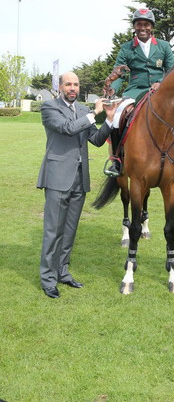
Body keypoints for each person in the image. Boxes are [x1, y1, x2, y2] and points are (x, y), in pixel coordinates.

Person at [37, 72, 118, 299]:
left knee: (70, 231)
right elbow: (67, 128)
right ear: (60, 87)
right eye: (69, 84)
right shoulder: (49, 108)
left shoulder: (83, 110)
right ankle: (48, 279)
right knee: (53, 231)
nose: (73, 88)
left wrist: (109, 119)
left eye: (76, 84)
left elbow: (96, 140)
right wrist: (95, 113)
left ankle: (62, 272)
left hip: (79, 179)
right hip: (56, 177)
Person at [104, 8, 174, 177]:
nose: (142, 28)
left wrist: (161, 83)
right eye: (139, 24)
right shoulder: (126, 48)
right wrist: (113, 89)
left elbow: (171, 71)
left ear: (151, 27)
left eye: (146, 24)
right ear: (134, 27)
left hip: (161, 92)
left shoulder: (164, 46)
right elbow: (119, 73)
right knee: (117, 116)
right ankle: (117, 159)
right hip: (135, 90)